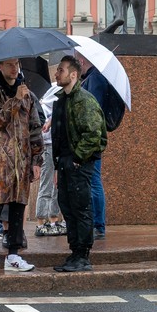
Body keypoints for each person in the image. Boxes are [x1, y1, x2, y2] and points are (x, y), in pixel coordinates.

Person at [0, 58, 43, 275]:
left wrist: (36, 159)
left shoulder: (28, 94)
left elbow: (35, 127)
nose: (14, 68)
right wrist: (15, 100)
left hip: (21, 160)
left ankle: (14, 254)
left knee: (18, 205)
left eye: (17, 64)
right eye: (9, 64)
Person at [51, 55, 107, 273]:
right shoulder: (63, 99)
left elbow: (94, 135)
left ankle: (83, 255)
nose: (57, 74)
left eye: (61, 70)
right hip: (65, 162)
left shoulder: (84, 100)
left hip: (78, 163)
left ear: (73, 75)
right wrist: (59, 163)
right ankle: (74, 252)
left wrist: (77, 159)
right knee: (68, 208)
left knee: (81, 208)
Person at [76, 52, 121, 240]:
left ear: (81, 60)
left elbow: (91, 110)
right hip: (90, 138)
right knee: (92, 180)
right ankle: (95, 224)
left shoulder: (95, 79)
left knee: (94, 181)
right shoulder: (91, 78)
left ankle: (98, 225)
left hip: (92, 139)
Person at [34, 88, 64, 237]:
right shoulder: (47, 101)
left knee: (56, 185)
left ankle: (53, 219)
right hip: (48, 145)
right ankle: (41, 221)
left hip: (56, 145)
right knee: (47, 184)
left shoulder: (55, 99)